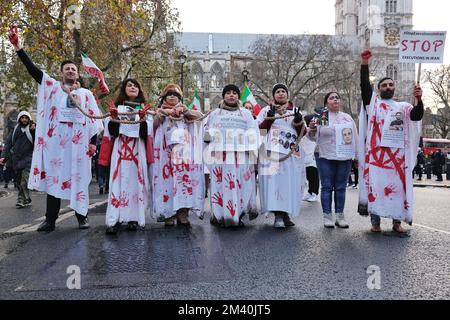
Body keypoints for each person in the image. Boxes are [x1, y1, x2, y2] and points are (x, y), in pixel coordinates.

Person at [9, 26, 103, 232]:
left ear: (77, 74)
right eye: (67, 69)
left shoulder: (86, 94)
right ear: (61, 74)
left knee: (79, 180)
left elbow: (94, 120)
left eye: (73, 69)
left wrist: (92, 143)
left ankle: (82, 217)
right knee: (54, 179)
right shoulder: (51, 87)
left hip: (79, 147)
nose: (70, 71)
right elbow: (33, 70)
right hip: (56, 148)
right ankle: (50, 220)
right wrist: (18, 48)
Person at [358, 49, 423, 234]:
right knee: (376, 187)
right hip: (377, 156)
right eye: (384, 85)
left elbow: (417, 115)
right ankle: (375, 223)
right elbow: (364, 87)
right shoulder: (374, 104)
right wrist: (364, 63)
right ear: (379, 89)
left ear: (394, 88)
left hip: (397, 158)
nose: (387, 87)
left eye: (390, 84)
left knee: (398, 190)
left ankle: (397, 223)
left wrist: (419, 99)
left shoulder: (403, 107)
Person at [98, 79, 152, 234]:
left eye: (136, 85)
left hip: (137, 150)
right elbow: (113, 133)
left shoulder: (145, 110)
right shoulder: (117, 108)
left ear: (140, 90)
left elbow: (144, 135)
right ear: (124, 89)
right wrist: (114, 118)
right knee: (117, 182)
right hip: (120, 149)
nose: (133, 87)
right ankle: (113, 219)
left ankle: (133, 219)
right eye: (129, 85)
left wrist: (142, 119)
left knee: (136, 183)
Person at [205, 84, 259, 227]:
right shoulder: (215, 113)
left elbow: (253, 132)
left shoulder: (246, 114)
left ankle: (238, 214)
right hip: (220, 157)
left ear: (238, 96)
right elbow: (206, 132)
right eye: (228, 93)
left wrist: (251, 150)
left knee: (240, 185)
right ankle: (219, 215)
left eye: (234, 93)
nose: (231, 95)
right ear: (223, 96)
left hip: (240, 157)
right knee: (220, 185)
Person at [152, 84, 205, 227]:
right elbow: (152, 126)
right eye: (169, 94)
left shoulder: (186, 112)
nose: (172, 96)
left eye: (175, 94)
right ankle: (168, 214)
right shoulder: (158, 111)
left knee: (183, 184)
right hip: (165, 156)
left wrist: (186, 112)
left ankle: (183, 213)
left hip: (184, 156)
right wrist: (161, 115)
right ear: (164, 97)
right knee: (167, 184)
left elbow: (201, 117)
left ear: (180, 98)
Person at [257, 84, 307, 228]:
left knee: (289, 184)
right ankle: (278, 214)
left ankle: (286, 214)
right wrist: (269, 119)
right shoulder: (266, 110)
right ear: (273, 96)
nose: (280, 94)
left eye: (283, 91)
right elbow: (259, 131)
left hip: (290, 155)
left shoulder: (295, 111)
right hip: (272, 154)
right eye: (277, 92)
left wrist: (298, 121)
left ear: (287, 95)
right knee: (275, 184)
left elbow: (302, 133)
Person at [308, 91, 358, 229]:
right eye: (332, 98)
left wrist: (357, 157)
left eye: (337, 98)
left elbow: (355, 137)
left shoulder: (347, 118)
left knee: (341, 187)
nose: (335, 100)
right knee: (327, 186)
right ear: (326, 102)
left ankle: (340, 216)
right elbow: (312, 137)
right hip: (324, 155)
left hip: (344, 157)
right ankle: (327, 216)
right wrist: (312, 129)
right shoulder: (320, 117)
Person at [0, 111, 35, 208]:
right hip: (17, 160)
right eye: (22, 117)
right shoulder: (15, 129)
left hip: (28, 159)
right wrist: (3, 156)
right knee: (19, 182)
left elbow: (38, 141)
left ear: (29, 119)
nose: (24, 119)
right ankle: (27, 199)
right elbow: (8, 144)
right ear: (19, 118)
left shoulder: (33, 129)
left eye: (26, 117)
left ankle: (21, 200)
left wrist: (34, 130)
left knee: (25, 180)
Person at [301, 115, 319, 202]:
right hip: (305, 154)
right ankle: (310, 192)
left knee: (313, 175)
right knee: (308, 175)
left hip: (312, 155)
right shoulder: (304, 130)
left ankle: (314, 193)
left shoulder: (313, 131)